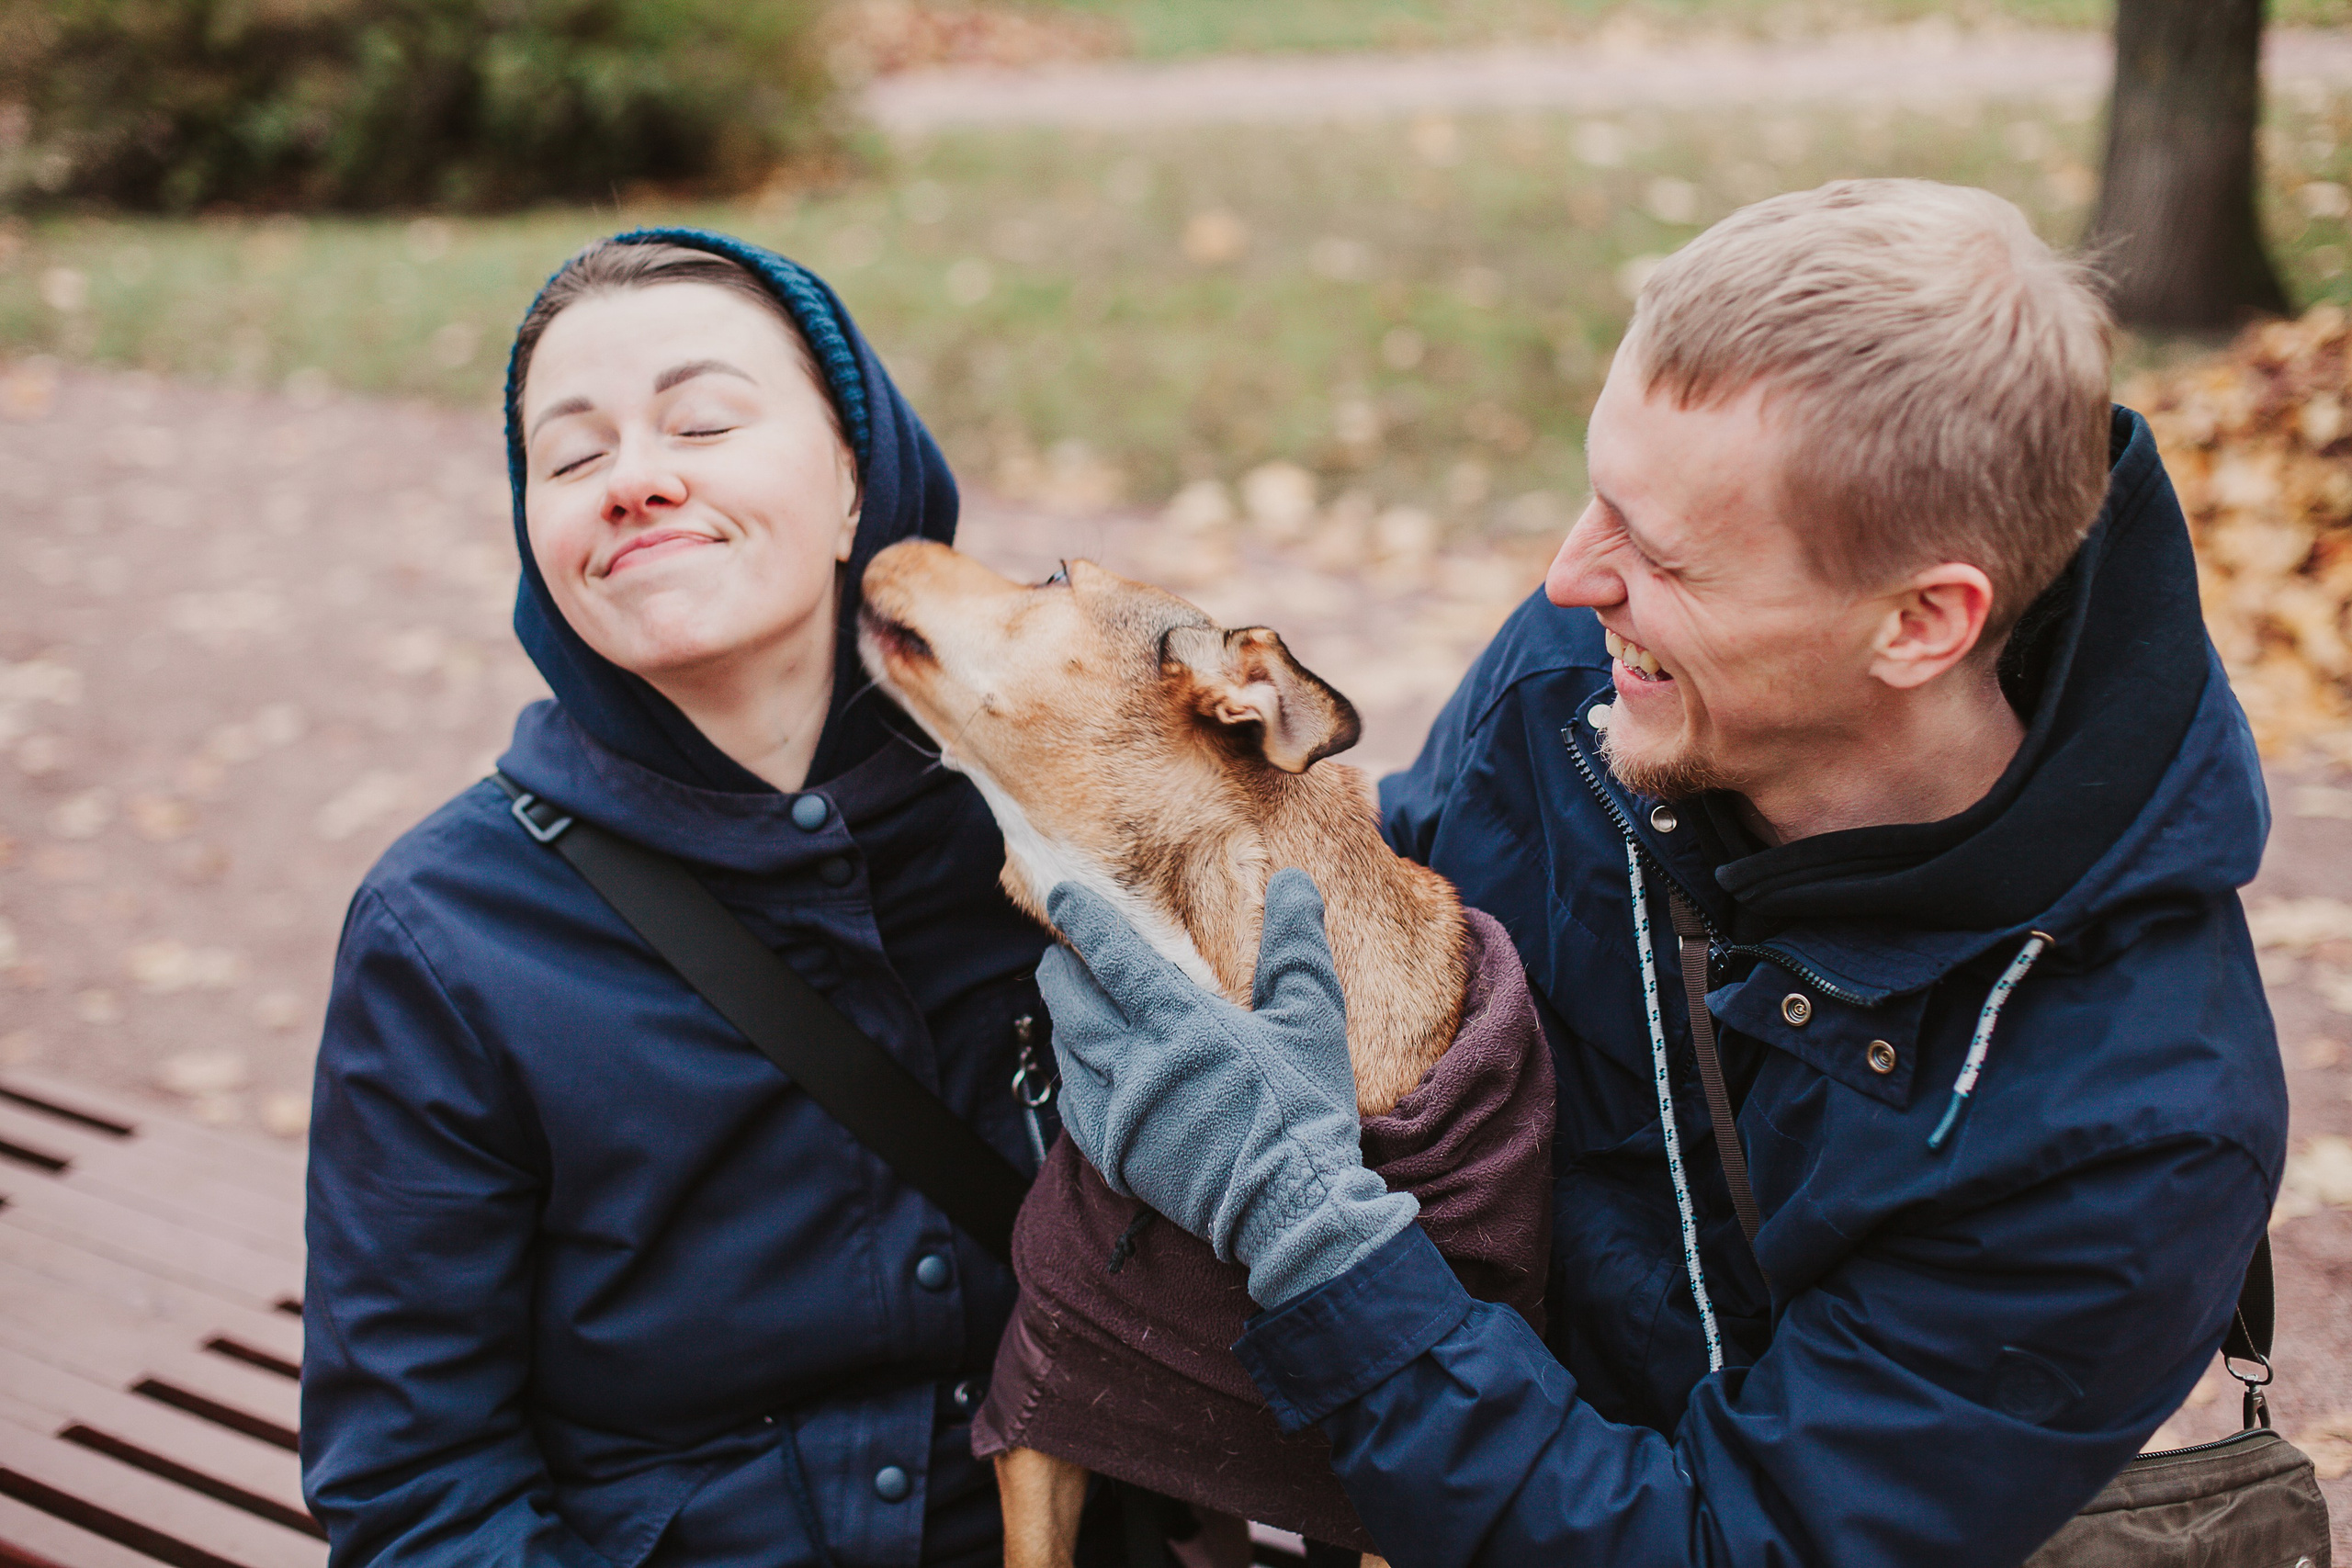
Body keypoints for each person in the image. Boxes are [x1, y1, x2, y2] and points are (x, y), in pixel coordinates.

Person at [1038, 179, 2289, 1565]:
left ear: (1924, 622)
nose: (1574, 575)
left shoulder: (2127, 1128)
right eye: (1596, 496)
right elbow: (1405, 959)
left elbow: (1724, 1544)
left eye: (1665, 551)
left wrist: (1306, 1227)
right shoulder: (1594, 681)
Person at [300, 231, 1054, 1567]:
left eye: (702, 422)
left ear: (852, 486)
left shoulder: (1043, 825)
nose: (637, 482)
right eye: (575, 456)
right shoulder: (449, 931)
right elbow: (417, 1482)